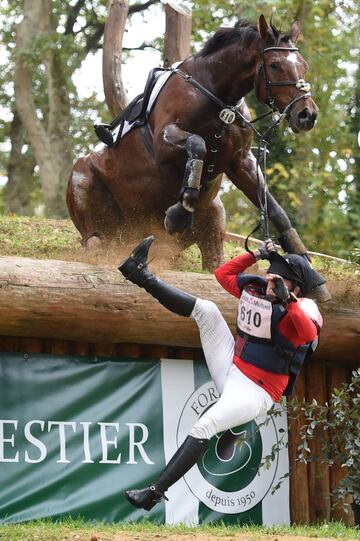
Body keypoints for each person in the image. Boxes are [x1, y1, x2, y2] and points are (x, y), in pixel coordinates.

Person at [118, 235, 325, 511]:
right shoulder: (260, 289)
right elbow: (223, 275)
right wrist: (256, 256)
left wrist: (288, 302)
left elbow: (308, 332)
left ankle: (154, 493)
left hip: (256, 390)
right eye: (270, 273)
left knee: (205, 425)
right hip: (231, 366)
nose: (270, 280)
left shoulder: (305, 307)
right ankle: (139, 273)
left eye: (278, 278)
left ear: (295, 287)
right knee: (207, 310)